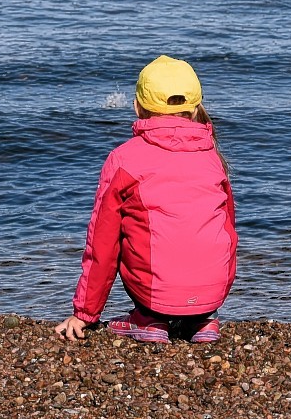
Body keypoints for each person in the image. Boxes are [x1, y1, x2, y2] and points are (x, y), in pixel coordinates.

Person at [55, 56, 238, 345]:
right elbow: (229, 231)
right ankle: (202, 322)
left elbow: (102, 243)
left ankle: (149, 320)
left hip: (153, 295)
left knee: (129, 232)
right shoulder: (212, 157)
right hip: (213, 292)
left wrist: (85, 313)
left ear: (137, 106)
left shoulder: (124, 159)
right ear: (195, 108)